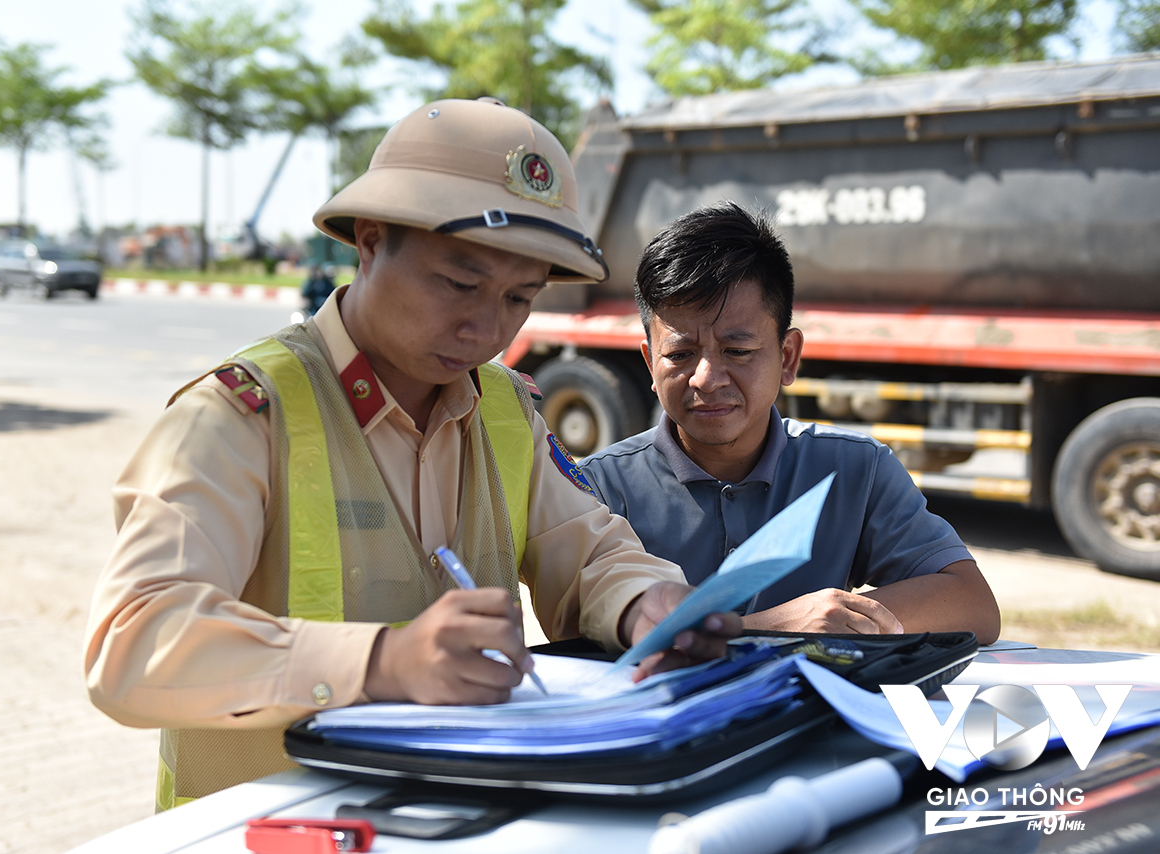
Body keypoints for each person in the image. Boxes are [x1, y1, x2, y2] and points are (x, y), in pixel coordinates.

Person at [84, 98, 742, 811]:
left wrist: (646, 603)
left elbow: (587, 552)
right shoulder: (242, 418)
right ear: (369, 241)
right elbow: (132, 645)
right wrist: (384, 661)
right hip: (274, 828)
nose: (486, 325)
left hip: (454, 819)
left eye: (519, 298)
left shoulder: (504, 409)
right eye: (459, 284)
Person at [580, 202, 1001, 643]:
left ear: (787, 357)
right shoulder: (601, 489)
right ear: (650, 363)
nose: (706, 378)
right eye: (680, 354)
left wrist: (834, 616)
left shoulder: (854, 469)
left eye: (737, 351)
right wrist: (774, 627)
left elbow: (972, 604)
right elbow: (580, 631)